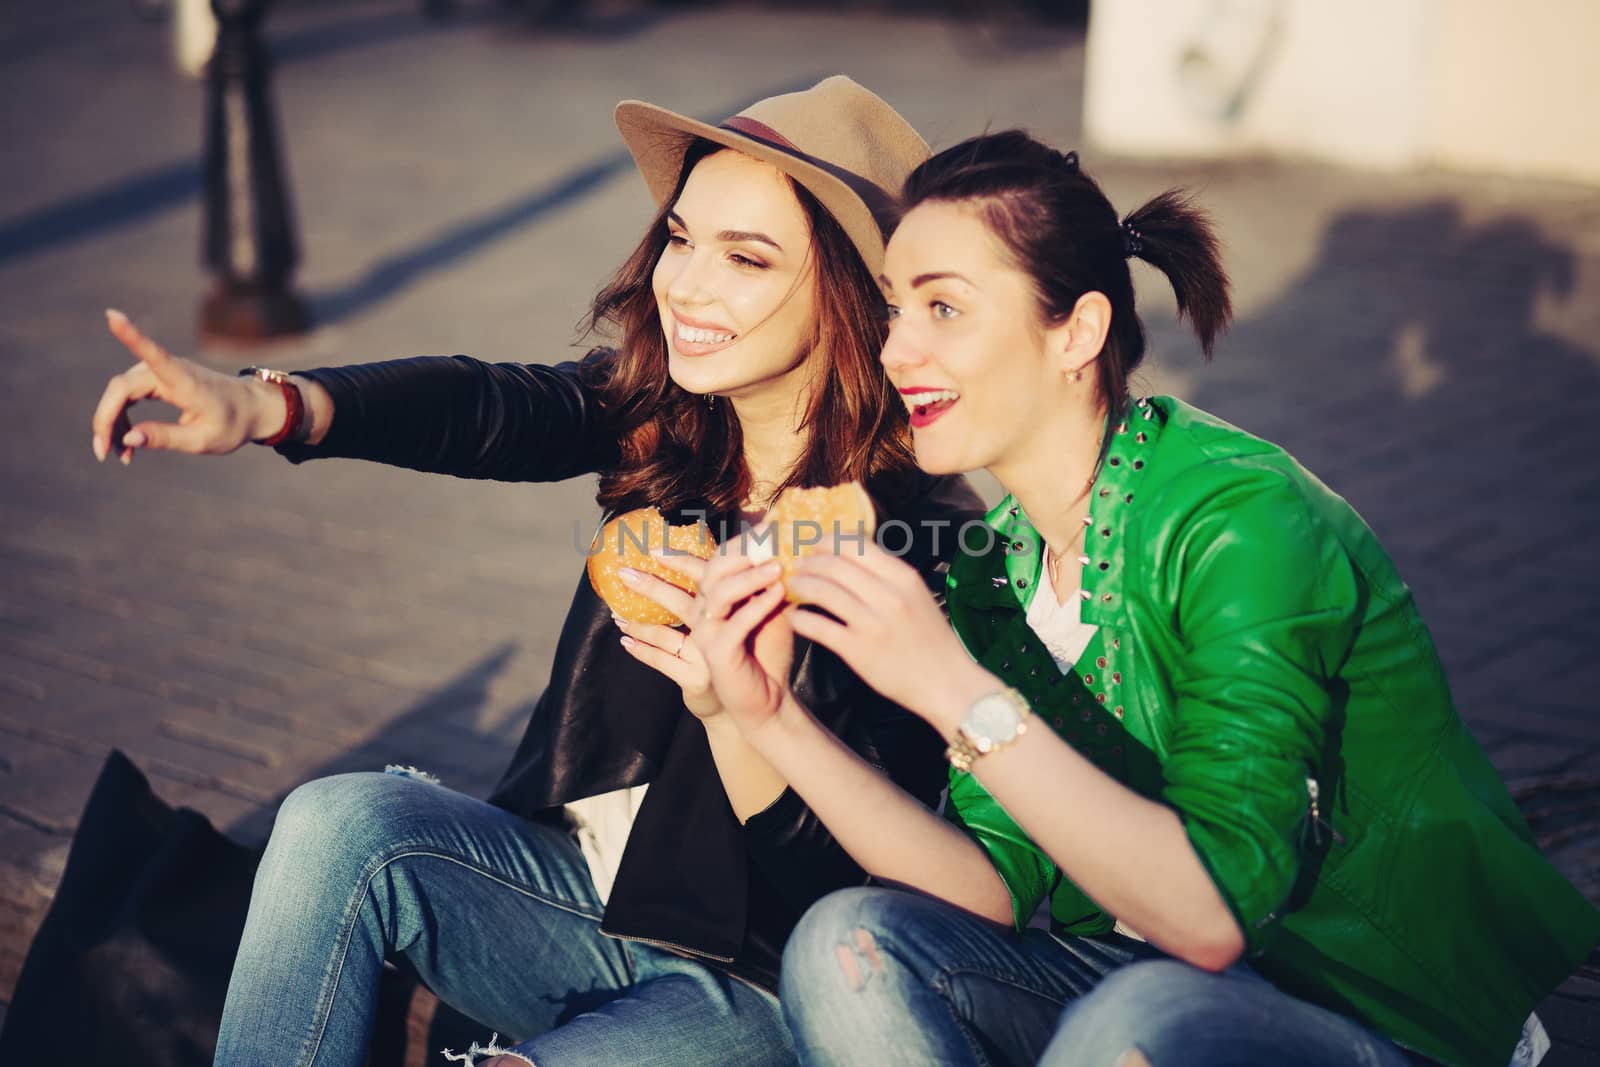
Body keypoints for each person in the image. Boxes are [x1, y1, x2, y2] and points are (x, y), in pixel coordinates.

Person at [87, 77, 982, 1067]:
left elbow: (852, 882)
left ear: (853, 294)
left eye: (747, 258)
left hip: (755, 983)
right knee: (338, 820)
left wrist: (748, 702)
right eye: (680, 239)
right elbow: (488, 405)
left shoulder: (917, 538)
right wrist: (274, 408)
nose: (684, 287)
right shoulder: (671, 421)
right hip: (564, 898)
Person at [669, 131, 1600, 1067]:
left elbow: (1210, 920)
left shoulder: (1241, 521)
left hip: (1381, 1018)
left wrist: (950, 688)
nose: (897, 347)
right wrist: (771, 715)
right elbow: (990, 887)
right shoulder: (996, 573)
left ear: (1076, 331)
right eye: (892, 308)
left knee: (1139, 1015)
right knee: (847, 940)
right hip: (1143, 985)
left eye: (943, 307)